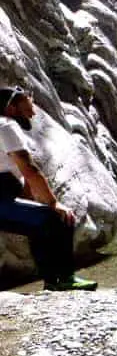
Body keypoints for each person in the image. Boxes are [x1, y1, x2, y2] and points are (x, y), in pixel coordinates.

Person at [0, 86, 97, 291]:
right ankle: (64, 279)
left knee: (39, 224)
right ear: (11, 107)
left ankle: (52, 281)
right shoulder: (6, 126)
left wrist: (37, 201)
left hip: (4, 197)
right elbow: (29, 169)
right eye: (28, 105)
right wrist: (54, 203)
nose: (33, 112)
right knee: (60, 218)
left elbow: (18, 175)